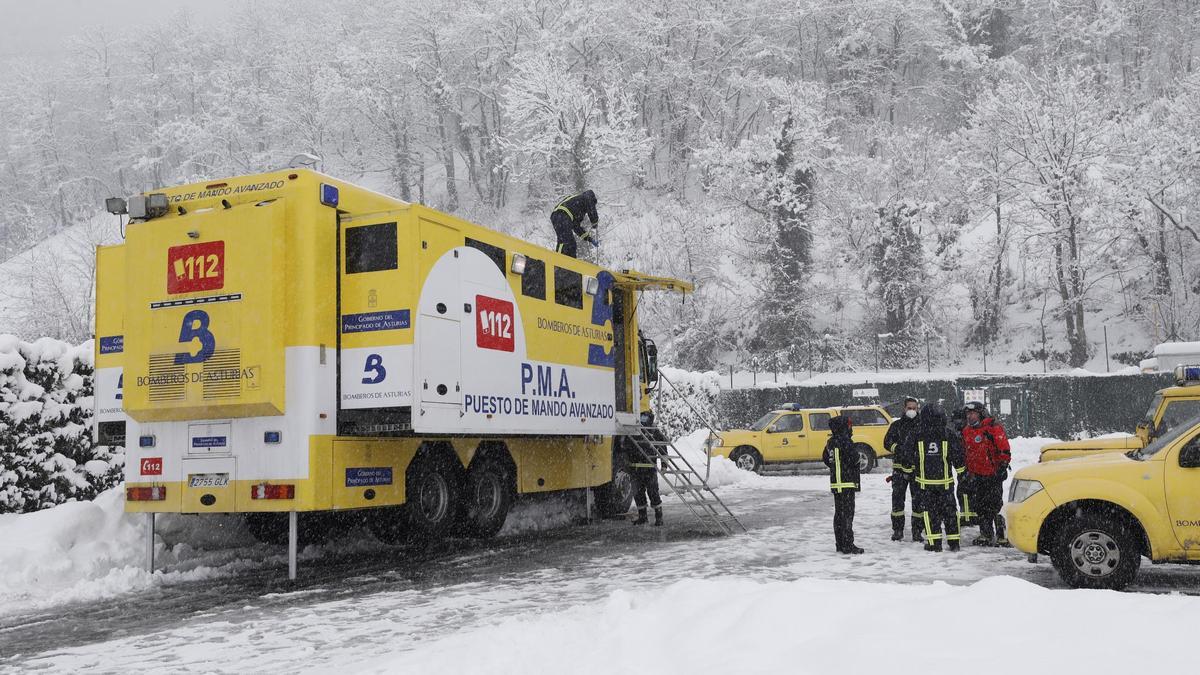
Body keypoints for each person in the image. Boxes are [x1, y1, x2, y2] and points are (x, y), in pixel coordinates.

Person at [898, 404, 965, 552]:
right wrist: (962, 475)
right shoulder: (948, 434)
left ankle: (935, 543)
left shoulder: (916, 433)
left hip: (925, 485)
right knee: (950, 513)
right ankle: (954, 543)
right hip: (946, 484)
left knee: (930, 514)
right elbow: (959, 457)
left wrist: (907, 472)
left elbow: (906, 456)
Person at [961, 401, 1012, 546]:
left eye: (973, 413)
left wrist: (1002, 466)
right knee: (980, 506)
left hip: (993, 474)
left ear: (981, 413)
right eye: (968, 414)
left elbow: (1004, 449)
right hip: (977, 475)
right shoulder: (967, 431)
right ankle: (985, 534)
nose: (970, 416)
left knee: (996, 505)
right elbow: (967, 453)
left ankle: (1002, 535)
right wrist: (968, 472)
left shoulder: (992, 428)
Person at [822, 416, 863, 554]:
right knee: (847, 514)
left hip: (836, 483)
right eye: (850, 426)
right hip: (847, 482)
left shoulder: (830, 443)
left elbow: (826, 459)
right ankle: (848, 544)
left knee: (839, 514)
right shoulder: (846, 441)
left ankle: (839, 543)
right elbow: (855, 458)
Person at [884, 396, 922, 542]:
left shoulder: (923, 425)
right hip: (899, 470)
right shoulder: (897, 425)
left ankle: (917, 531)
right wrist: (898, 449)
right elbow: (887, 442)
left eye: (914, 408)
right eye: (909, 408)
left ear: (917, 408)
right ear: (904, 409)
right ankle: (898, 530)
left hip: (917, 470)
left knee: (919, 502)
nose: (911, 410)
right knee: (897, 502)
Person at [549, 190, 599, 258]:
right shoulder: (587, 197)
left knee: (564, 241)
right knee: (569, 243)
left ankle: (561, 263)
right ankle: (562, 264)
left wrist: (589, 239)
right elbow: (591, 208)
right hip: (562, 215)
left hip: (559, 216)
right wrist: (595, 222)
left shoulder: (576, 207)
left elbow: (576, 227)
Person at [626, 435, 663, 526]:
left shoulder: (653, 430)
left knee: (653, 493)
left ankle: (659, 517)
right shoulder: (632, 431)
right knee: (638, 494)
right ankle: (643, 517)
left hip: (649, 468)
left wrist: (664, 464)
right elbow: (624, 448)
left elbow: (662, 447)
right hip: (635, 467)